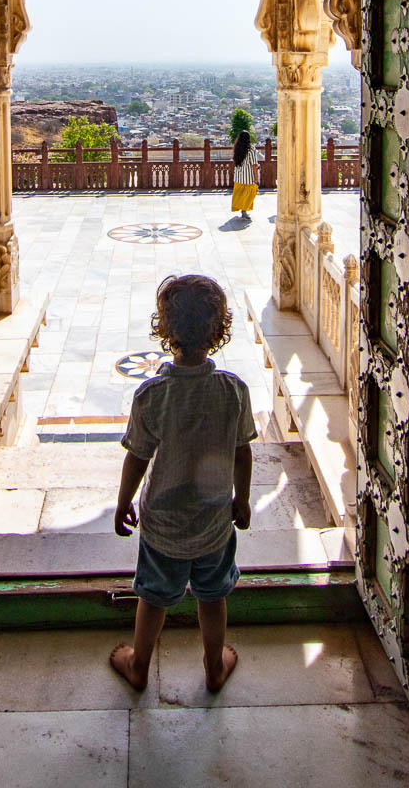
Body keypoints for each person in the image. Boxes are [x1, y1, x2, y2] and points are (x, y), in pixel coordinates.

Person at [109, 273, 256, 692]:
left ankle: (139, 665)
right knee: (212, 597)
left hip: (163, 525)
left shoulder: (152, 395)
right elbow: (242, 451)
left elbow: (137, 458)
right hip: (214, 522)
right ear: (219, 331)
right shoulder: (233, 391)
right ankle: (214, 666)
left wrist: (123, 502)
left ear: (165, 330)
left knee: (153, 597)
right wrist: (242, 499)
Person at [230, 129, 260, 219]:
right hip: (248, 177)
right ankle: (244, 210)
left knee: (239, 194)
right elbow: (254, 165)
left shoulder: (237, 148)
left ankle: (241, 209)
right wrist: (256, 177)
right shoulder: (251, 150)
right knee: (249, 194)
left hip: (238, 176)